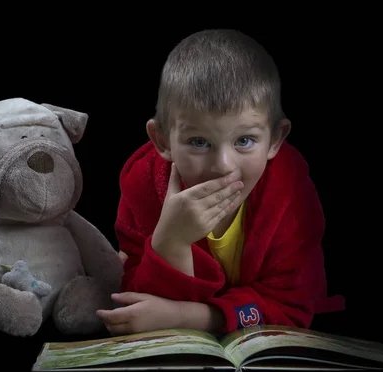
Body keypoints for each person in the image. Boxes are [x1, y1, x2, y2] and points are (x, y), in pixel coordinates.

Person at [96, 29, 345, 336]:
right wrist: (170, 241)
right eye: (199, 141)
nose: (223, 166)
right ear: (162, 140)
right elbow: (137, 304)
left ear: (275, 140)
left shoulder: (290, 192)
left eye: (244, 140)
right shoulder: (143, 187)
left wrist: (192, 316)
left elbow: (292, 305)